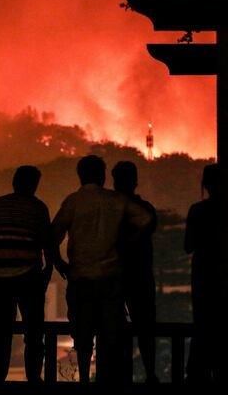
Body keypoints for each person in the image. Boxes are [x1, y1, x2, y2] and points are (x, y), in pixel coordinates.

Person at [51, 155, 151, 385]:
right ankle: (108, 381)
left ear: (80, 175)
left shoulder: (73, 201)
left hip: (80, 277)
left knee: (83, 334)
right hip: (110, 277)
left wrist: (59, 263)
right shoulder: (115, 200)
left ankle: (85, 378)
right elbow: (145, 220)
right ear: (102, 175)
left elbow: (53, 235)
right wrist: (126, 243)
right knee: (110, 333)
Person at [0, 165, 52, 383]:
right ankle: (33, 377)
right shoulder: (38, 206)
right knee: (34, 330)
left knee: (2, 331)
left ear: (14, 182)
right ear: (34, 185)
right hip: (29, 274)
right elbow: (47, 239)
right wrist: (49, 268)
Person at [111, 161, 159, 385]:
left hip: (114, 277)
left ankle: (118, 376)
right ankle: (150, 374)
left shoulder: (108, 210)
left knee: (115, 329)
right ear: (135, 181)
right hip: (141, 277)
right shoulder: (146, 210)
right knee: (146, 328)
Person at [183, 163, 221, 384]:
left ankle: (198, 371)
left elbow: (188, 245)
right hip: (224, 273)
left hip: (203, 272)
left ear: (205, 185)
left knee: (202, 323)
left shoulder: (197, 211)